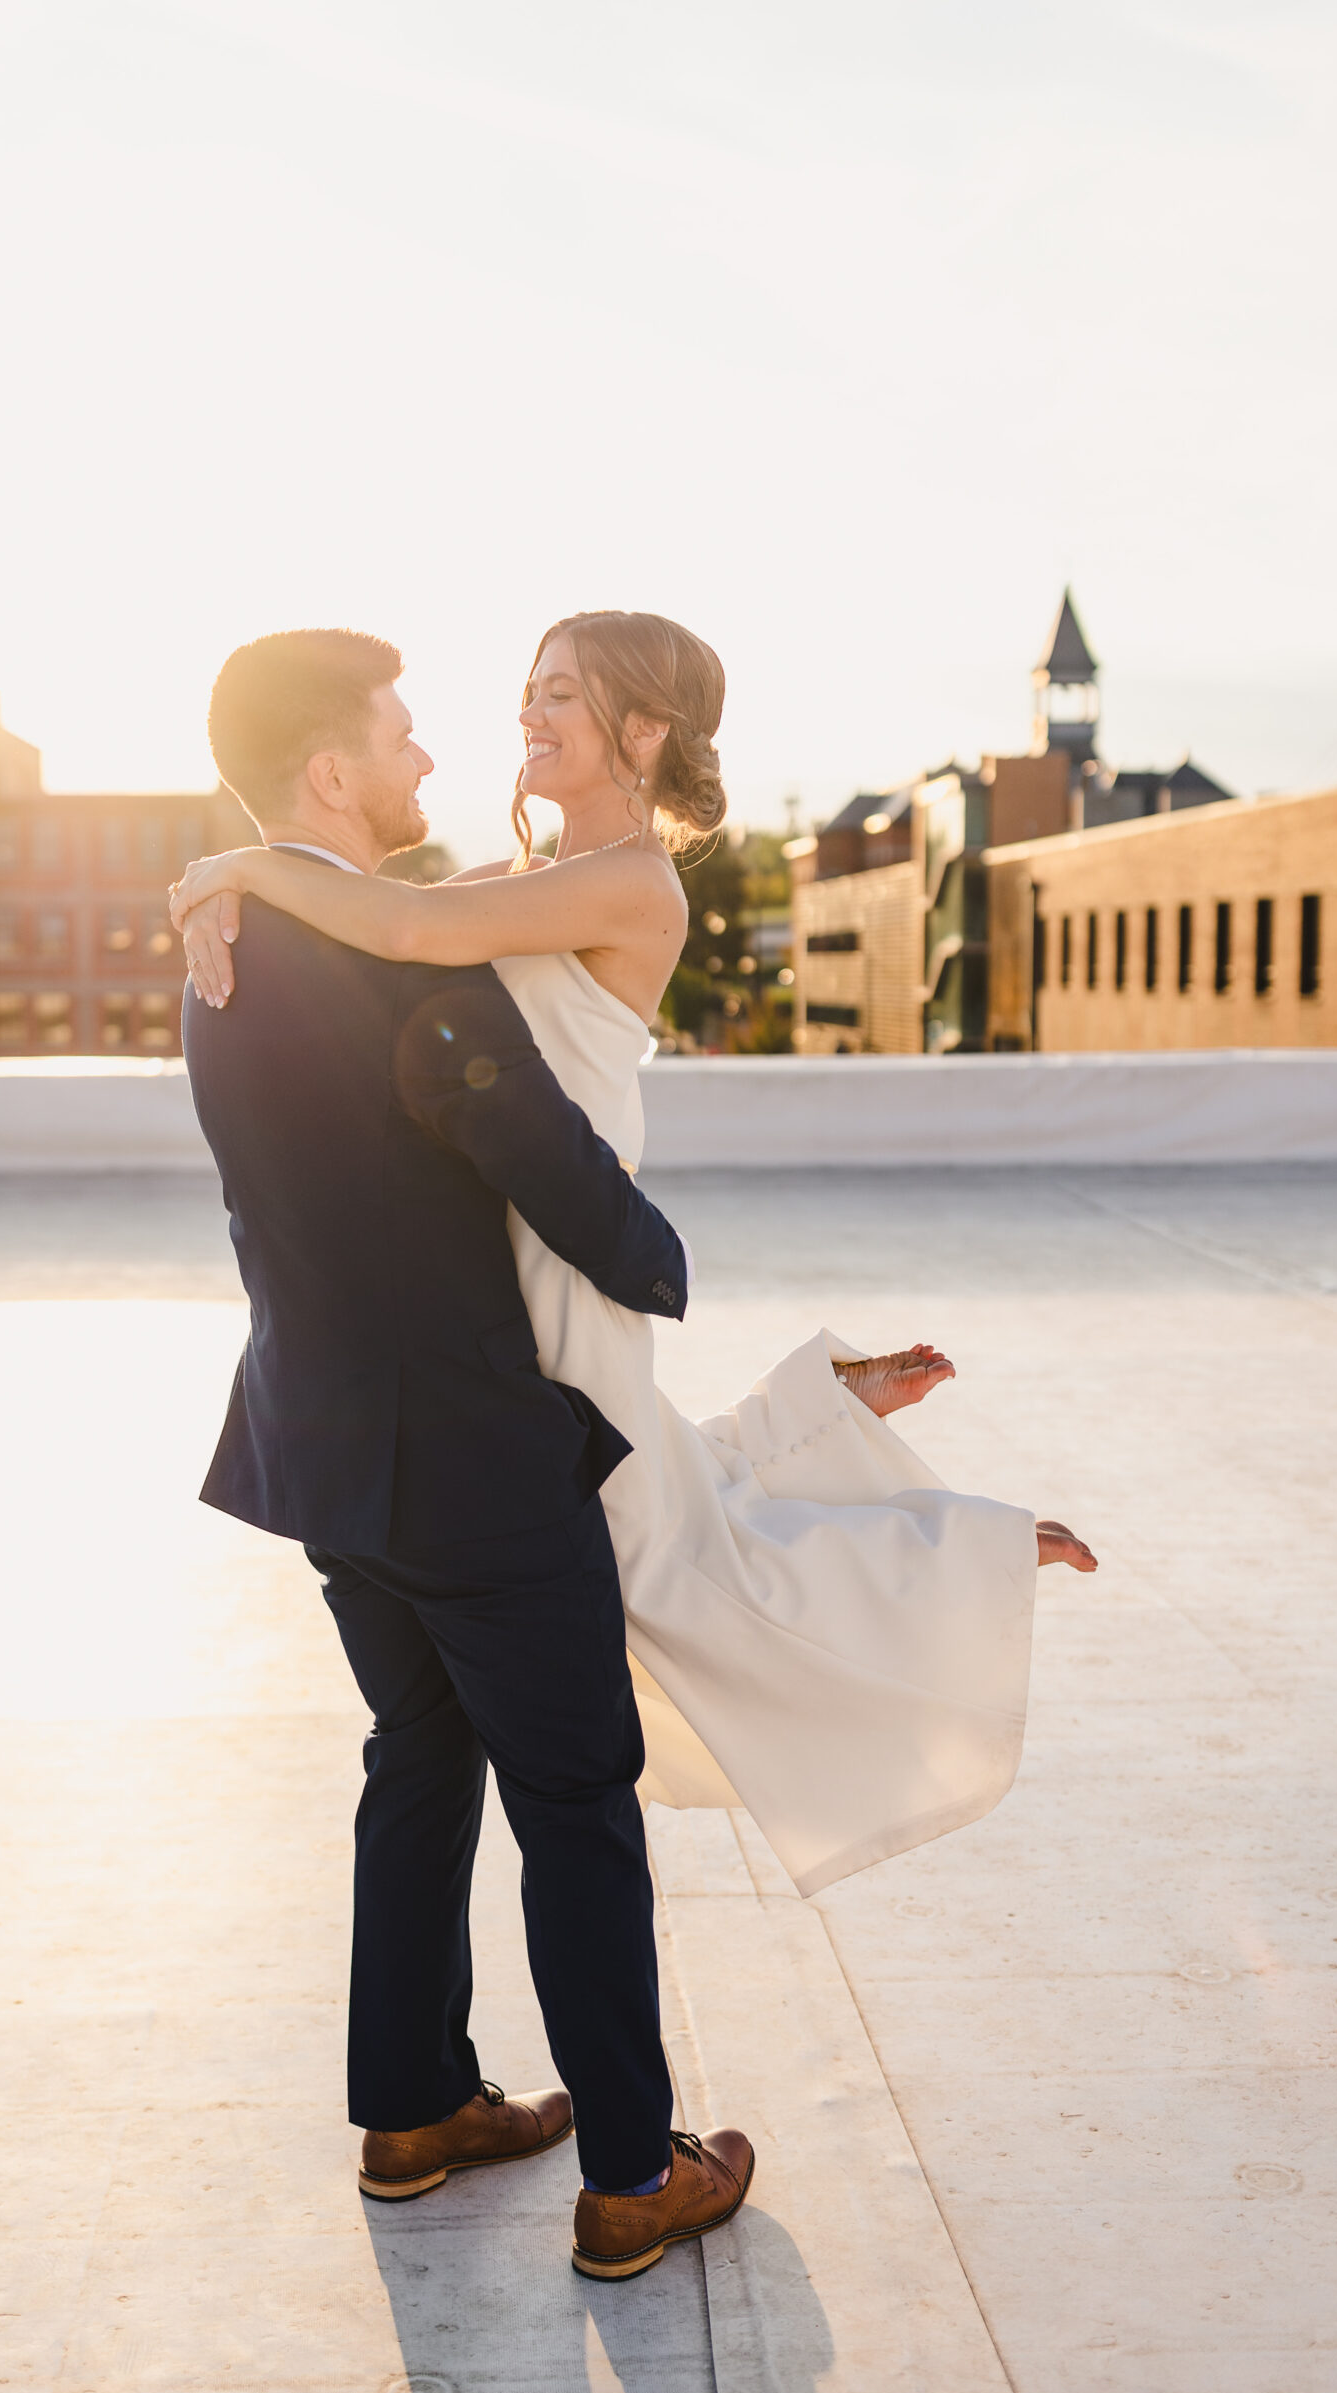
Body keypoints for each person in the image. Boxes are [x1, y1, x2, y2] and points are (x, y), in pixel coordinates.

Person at [174, 610, 1097, 1911]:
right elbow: (376, 919)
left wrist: (235, 870)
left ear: (643, 733)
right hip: (512, 1279)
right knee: (660, 1542)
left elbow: (390, 931)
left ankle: (975, 1560)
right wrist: (240, 872)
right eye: (530, 690)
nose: (524, 717)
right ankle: (853, 1443)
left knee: (681, 1566)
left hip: (560, 1267)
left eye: (560, 694)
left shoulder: (632, 883)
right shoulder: (515, 879)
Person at [182, 626, 752, 2286]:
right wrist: (659, 1268)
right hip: (471, 1457)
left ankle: (414, 2110)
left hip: (317, 1441)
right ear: (332, 772)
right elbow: (542, 1158)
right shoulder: (395, 958)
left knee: (418, 1763)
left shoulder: (226, 946)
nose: (437, 760)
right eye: (405, 737)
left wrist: (224, 863)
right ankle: (637, 2177)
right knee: (576, 1796)